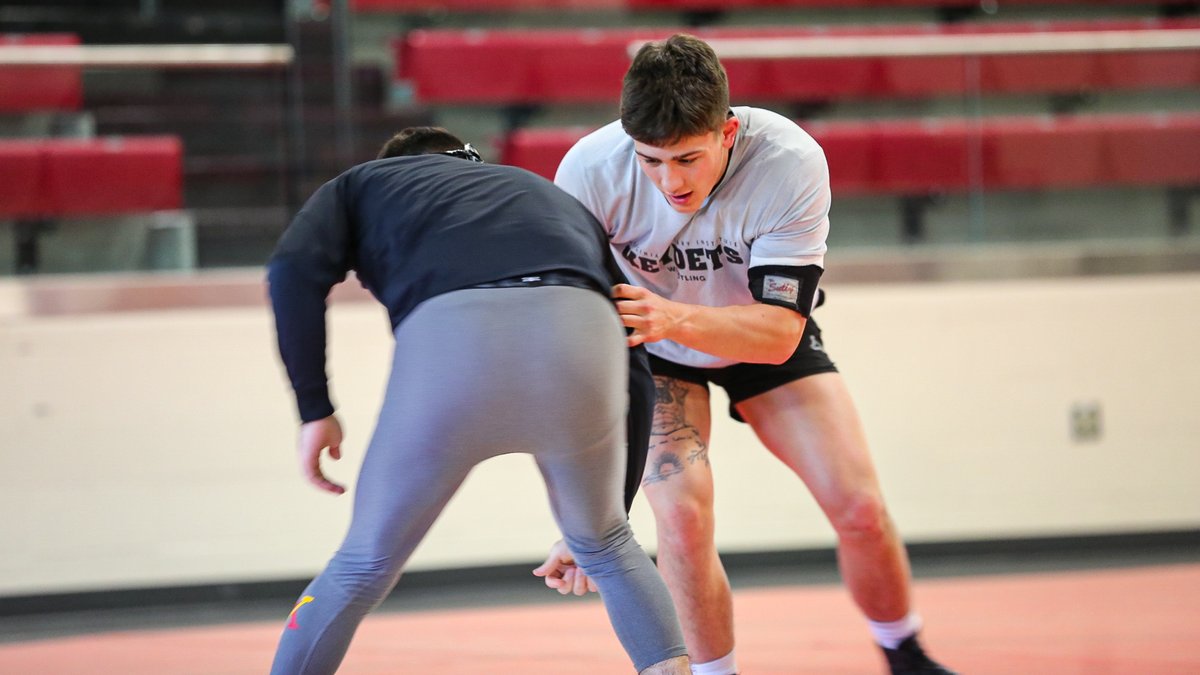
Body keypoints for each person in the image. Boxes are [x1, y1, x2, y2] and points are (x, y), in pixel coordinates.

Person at [531, 35, 956, 675]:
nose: (670, 181)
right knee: (681, 521)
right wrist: (590, 516)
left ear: (727, 133)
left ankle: (907, 655)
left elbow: (780, 333)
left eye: (687, 158)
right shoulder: (590, 171)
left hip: (754, 331)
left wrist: (675, 315)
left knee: (861, 509)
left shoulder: (788, 161)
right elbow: (575, 341)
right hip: (653, 349)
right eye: (650, 160)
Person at [266, 126, 689, 675]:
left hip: (454, 339)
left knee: (361, 566)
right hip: (582, 336)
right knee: (608, 546)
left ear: (396, 164)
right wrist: (614, 506)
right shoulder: (542, 193)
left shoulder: (362, 183)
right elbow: (633, 348)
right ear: (469, 161)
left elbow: (290, 270)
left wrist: (314, 408)